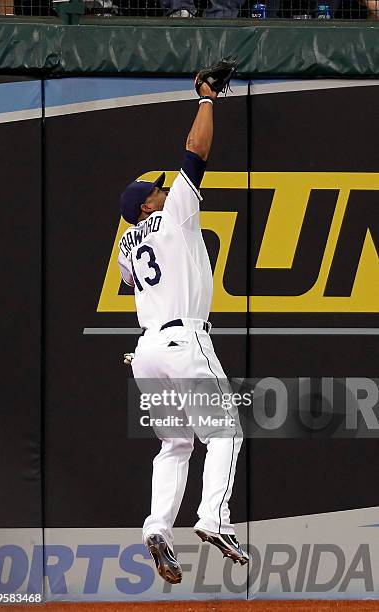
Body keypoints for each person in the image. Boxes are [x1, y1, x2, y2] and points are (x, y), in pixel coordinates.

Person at [117, 76, 248, 585]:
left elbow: (136, 284)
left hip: (146, 350)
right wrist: (207, 99)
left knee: (174, 446)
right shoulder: (174, 213)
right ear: (148, 204)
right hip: (182, 339)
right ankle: (214, 518)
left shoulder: (128, 245)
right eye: (155, 189)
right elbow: (195, 151)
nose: (164, 187)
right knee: (226, 432)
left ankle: (157, 528)